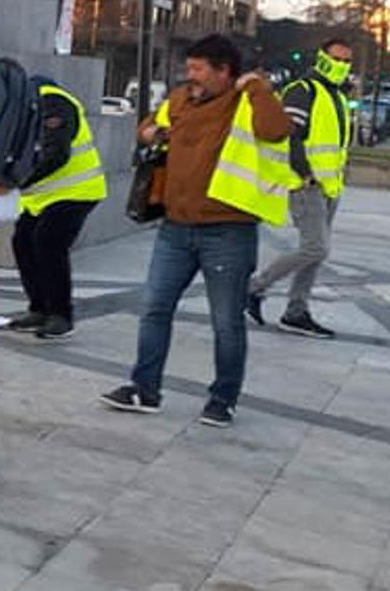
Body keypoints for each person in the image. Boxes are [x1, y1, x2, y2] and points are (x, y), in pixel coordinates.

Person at [102, 35, 292, 426]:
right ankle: (145, 388)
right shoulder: (182, 98)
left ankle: (223, 398)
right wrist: (152, 133)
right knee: (155, 308)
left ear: (225, 71)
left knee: (226, 320)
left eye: (198, 69)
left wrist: (256, 86)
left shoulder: (246, 100)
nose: (191, 76)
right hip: (176, 226)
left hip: (228, 230)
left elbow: (276, 130)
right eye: (189, 68)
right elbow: (148, 126)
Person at [247, 40, 353, 338]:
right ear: (322, 58)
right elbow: (290, 136)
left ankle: (296, 312)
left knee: (315, 252)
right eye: (337, 59)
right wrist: (305, 174)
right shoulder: (303, 90)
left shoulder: (338, 97)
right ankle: (254, 288)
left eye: (347, 61)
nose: (343, 66)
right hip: (307, 184)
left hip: (330, 187)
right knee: (315, 247)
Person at [6, 83, 109, 338]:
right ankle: (39, 309)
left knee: (48, 242)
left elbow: (57, 154)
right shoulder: (20, 107)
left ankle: (61, 315)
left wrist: (17, 181)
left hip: (76, 190)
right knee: (23, 242)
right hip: (42, 197)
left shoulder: (53, 102)